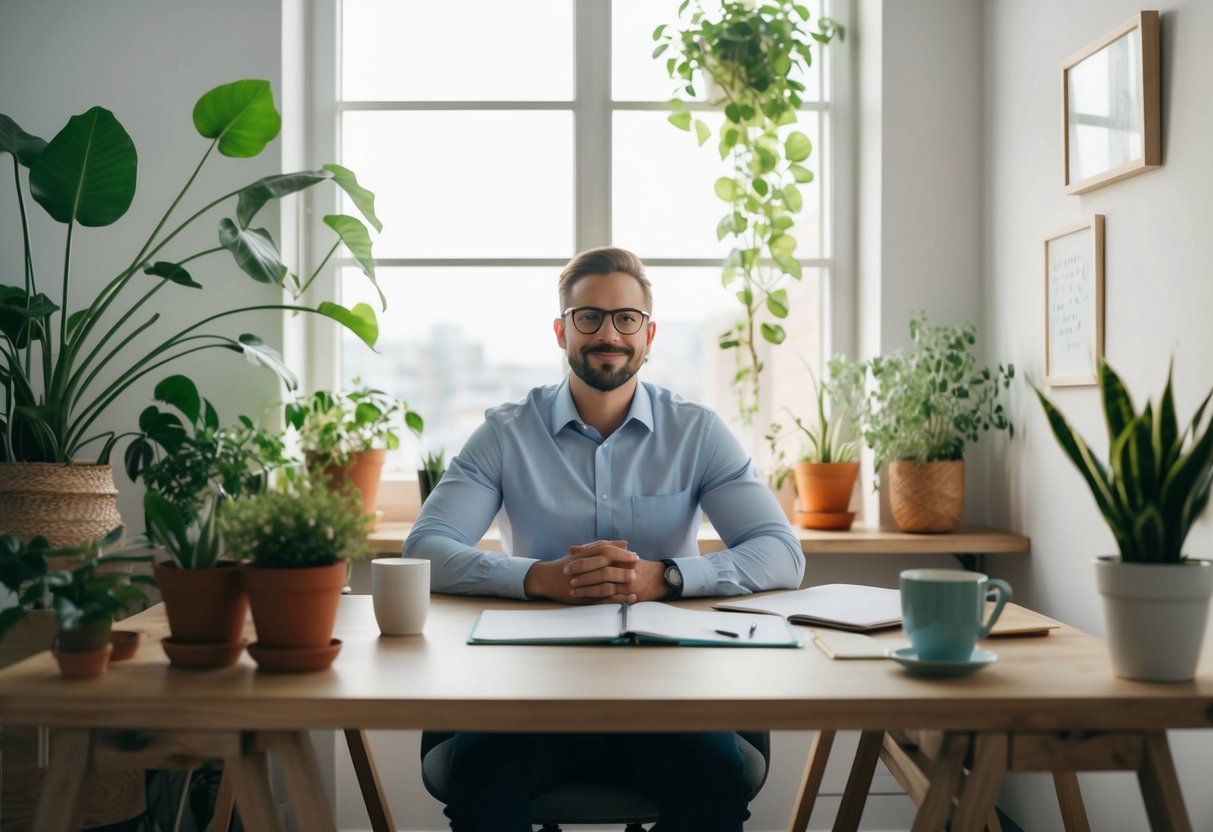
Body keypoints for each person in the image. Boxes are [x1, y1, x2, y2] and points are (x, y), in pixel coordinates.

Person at [405, 246, 803, 832]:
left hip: (668, 693)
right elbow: (424, 549)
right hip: (528, 691)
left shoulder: (698, 432)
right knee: (481, 783)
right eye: (588, 317)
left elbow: (781, 552)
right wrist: (538, 578)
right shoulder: (505, 433)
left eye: (626, 319)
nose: (607, 333)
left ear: (649, 334)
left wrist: (664, 577)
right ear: (561, 329)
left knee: (714, 783)